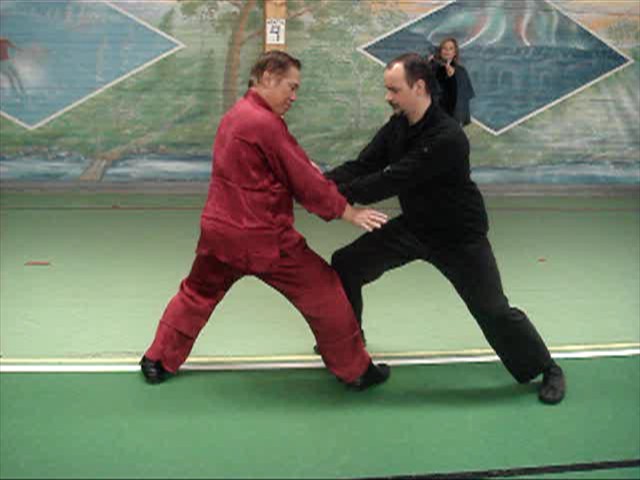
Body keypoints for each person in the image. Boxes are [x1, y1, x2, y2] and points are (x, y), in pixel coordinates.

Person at [323, 53, 566, 404]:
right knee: (346, 264)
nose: (388, 97)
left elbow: (389, 180)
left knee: (493, 310)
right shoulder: (398, 126)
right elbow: (363, 165)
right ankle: (350, 351)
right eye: (387, 89)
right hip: (416, 226)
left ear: (419, 87)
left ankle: (547, 368)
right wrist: (317, 183)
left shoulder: (448, 136)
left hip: (459, 236)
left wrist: (328, 195)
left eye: (394, 90)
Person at [140, 50, 390, 391]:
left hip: (219, 234)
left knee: (197, 293)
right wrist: (348, 211)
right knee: (326, 294)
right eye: (291, 86)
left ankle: (157, 359)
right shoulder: (266, 124)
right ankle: (356, 370)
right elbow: (304, 181)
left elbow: (271, 167)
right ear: (269, 76)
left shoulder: (235, 116)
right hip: (264, 239)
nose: (294, 96)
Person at [427, 37, 474, 126]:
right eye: (444, 48)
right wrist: (429, 66)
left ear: (455, 52)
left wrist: (452, 77)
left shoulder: (461, 71)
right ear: (440, 51)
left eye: (451, 48)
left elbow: (463, 97)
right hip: (434, 117)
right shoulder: (433, 68)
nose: (447, 51)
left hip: (453, 119)